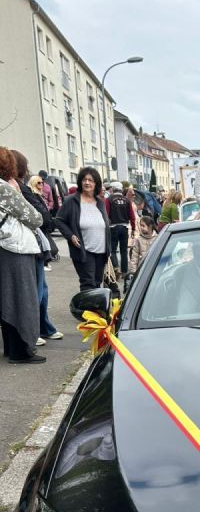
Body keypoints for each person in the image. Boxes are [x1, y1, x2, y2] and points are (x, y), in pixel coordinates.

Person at [0, 147, 45, 364]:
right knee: (22, 298)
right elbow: (36, 218)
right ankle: (22, 350)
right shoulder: (5, 189)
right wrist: (18, 193)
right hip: (15, 249)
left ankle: (11, 348)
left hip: (3, 247)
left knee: (7, 298)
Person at [55, 167, 110, 291]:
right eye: (84, 180)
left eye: (90, 180)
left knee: (97, 282)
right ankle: (87, 303)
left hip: (101, 252)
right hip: (84, 251)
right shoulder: (71, 201)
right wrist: (70, 235)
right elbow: (59, 220)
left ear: (96, 183)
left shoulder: (100, 202)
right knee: (88, 284)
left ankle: (94, 304)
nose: (87, 183)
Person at [23, 172, 63, 343]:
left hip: (39, 245)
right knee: (37, 291)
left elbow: (46, 218)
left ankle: (43, 328)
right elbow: (43, 219)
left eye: (42, 182)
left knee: (42, 290)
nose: (42, 185)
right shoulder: (26, 193)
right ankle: (34, 331)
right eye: (39, 183)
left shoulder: (36, 195)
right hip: (33, 246)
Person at [106, 180, 136, 278]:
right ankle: (124, 272)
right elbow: (132, 215)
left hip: (113, 227)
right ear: (121, 189)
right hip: (124, 227)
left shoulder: (109, 199)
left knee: (113, 250)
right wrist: (133, 228)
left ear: (112, 189)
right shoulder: (127, 200)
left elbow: (106, 214)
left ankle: (116, 267)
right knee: (124, 251)